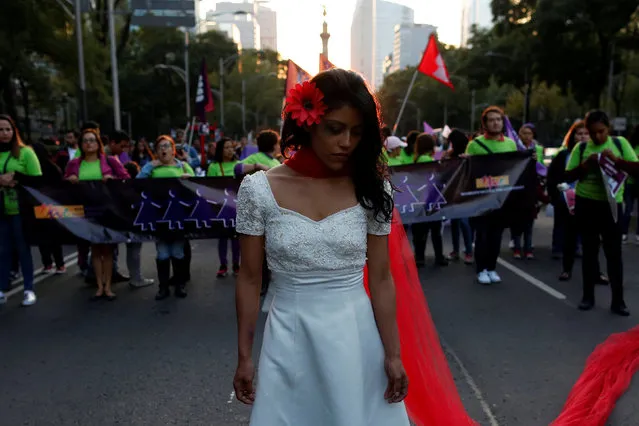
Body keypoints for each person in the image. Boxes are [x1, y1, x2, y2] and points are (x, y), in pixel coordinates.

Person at [234, 71, 410, 425]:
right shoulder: (258, 190)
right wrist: (244, 357)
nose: (347, 142)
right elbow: (250, 279)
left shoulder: (373, 191)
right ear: (308, 124)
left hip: (356, 339)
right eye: (335, 128)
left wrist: (393, 355)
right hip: (288, 338)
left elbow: (381, 279)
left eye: (357, 132)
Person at [565, 110, 637, 316]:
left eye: (602, 132)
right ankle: (588, 296)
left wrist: (616, 160)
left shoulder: (620, 144)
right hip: (586, 203)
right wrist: (587, 165)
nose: (598, 137)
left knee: (614, 253)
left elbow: (636, 169)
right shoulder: (582, 148)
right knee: (589, 252)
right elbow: (568, 175)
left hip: (613, 205)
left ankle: (618, 301)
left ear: (609, 128)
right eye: (593, 133)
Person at [65, 129, 130, 300]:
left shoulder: (109, 161)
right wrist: (70, 179)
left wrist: (112, 180)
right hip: (86, 212)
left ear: (98, 143)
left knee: (107, 249)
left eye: (92, 140)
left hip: (107, 210)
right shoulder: (74, 164)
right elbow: (62, 186)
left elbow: (126, 178)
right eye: (85, 140)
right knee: (94, 249)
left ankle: (108, 286)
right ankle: (99, 286)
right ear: (81, 145)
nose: (89, 143)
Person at [465, 106, 518, 284]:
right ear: (485, 123)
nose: (496, 123)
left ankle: (492, 268)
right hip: (481, 197)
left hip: (501, 197)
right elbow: (467, 170)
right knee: (482, 235)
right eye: (492, 120)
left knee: (496, 235)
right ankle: (481, 270)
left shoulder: (510, 144)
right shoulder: (474, 144)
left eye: (498, 119)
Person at [138, 135, 194, 300]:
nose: (164, 149)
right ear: (156, 151)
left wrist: (188, 179)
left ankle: (179, 284)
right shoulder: (152, 168)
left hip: (178, 216)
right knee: (162, 252)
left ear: (173, 149)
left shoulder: (183, 166)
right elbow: (136, 184)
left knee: (177, 251)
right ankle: (163, 288)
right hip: (159, 216)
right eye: (160, 147)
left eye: (166, 146)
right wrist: (148, 167)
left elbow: (196, 184)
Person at [208, 137, 269, 277]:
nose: (230, 150)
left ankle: (236, 264)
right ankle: (223, 265)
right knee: (222, 236)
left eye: (231, 147)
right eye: (226, 147)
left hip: (238, 205)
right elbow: (209, 186)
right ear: (220, 150)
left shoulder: (239, 164)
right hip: (221, 206)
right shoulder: (214, 166)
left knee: (237, 237)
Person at [0, 114, 42, 306]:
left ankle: (28, 288)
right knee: (3, 250)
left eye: (8, 129)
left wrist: (17, 177)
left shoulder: (25, 153)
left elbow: (38, 181)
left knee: (23, 248)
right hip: (1, 210)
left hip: (20, 209)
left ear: (14, 131)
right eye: (0, 130)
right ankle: (1, 288)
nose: (4, 133)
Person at [411, 133, 447, 267]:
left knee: (420, 231)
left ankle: (419, 257)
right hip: (431, 199)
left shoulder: (418, 158)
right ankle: (439, 257)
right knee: (435, 231)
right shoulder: (427, 159)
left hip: (420, 199)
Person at [31, 142, 66, 274]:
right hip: (52, 204)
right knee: (53, 236)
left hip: (39, 204)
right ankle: (60, 264)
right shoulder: (53, 167)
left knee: (43, 236)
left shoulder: (35, 168)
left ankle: (48, 264)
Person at [443, 129, 474, 264]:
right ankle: (457, 250)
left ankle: (468, 251)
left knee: (464, 222)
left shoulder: (467, 155)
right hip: (454, 192)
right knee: (456, 223)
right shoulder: (450, 155)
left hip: (464, 192)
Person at [621, 124, 639, 242]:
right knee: (628, 209)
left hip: (632, 182)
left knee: (630, 209)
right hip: (630, 182)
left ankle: (632, 234)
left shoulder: (630, 146)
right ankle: (625, 233)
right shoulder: (631, 147)